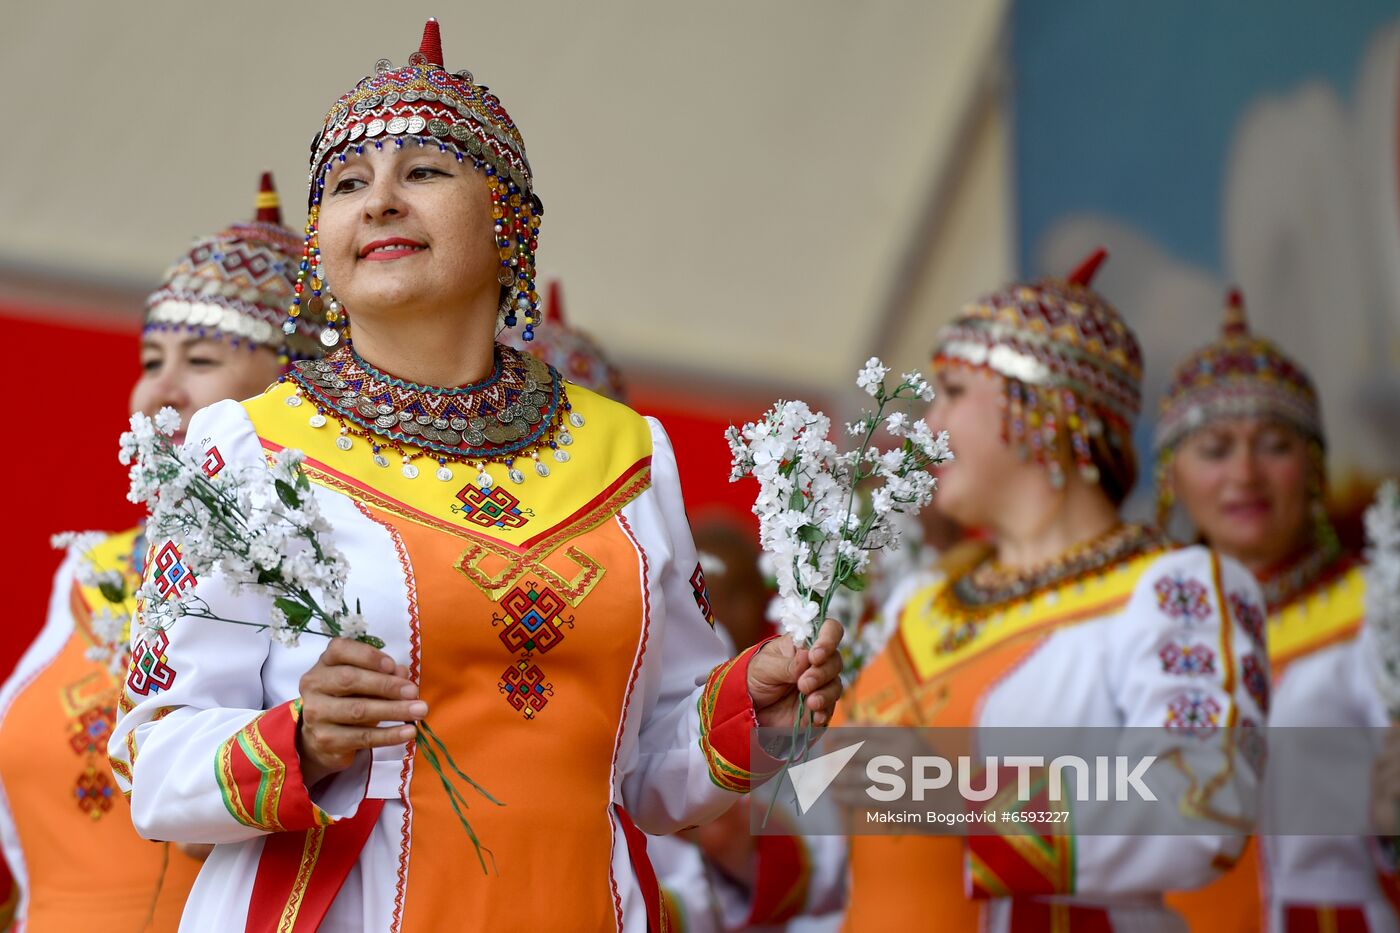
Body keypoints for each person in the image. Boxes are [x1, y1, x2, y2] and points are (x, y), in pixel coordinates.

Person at [109, 20, 845, 931]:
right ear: (319, 247)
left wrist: (748, 706)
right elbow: (150, 756)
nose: (378, 201)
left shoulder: (627, 453)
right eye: (345, 184)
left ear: (508, 220)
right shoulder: (244, 447)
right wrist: (295, 736)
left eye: (422, 171)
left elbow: (651, 769)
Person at [835, 249, 1267, 931]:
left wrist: (952, 797)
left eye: (951, 392)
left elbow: (1200, 800)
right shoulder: (920, 601)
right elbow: (847, 828)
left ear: (1042, 406)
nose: (931, 427)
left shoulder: (1173, 591)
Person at [0, 173, 311, 930]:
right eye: (150, 361)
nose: (156, 394)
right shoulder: (90, 572)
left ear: (291, 390)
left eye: (200, 362)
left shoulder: (323, 586)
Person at [1157, 290, 1392, 931]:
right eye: (1214, 449)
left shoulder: (1378, 612)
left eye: (1273, 445)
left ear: (1313, 468)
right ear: (1171, 477)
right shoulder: (1142, 630)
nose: (1245, 474)